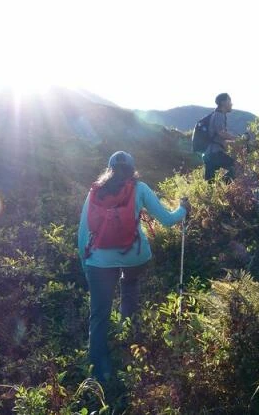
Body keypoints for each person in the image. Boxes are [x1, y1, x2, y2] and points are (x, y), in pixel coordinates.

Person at [77, 151, 190, 383]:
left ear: (109, 168)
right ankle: (128, 338)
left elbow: (83, 231)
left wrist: (85, 263)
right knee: (129, 287)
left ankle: (99, 367)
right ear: (132, 168)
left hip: (99, 262)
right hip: (135, 257)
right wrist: (183, 209)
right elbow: (168, 221)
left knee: (99, 314)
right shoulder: (140, 188)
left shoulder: (95, 191)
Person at [203, 93, 238, 182]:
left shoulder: (216, 114)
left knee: (210, 183)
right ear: (223, 103)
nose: (231, 103)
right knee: (237, 168)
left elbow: (218, 137)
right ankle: (221, 186)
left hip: (209, 154)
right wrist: (236, 139)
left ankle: (217, 190)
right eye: (229, 100)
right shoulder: (219, 115)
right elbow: (221, 133)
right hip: (215, 153)